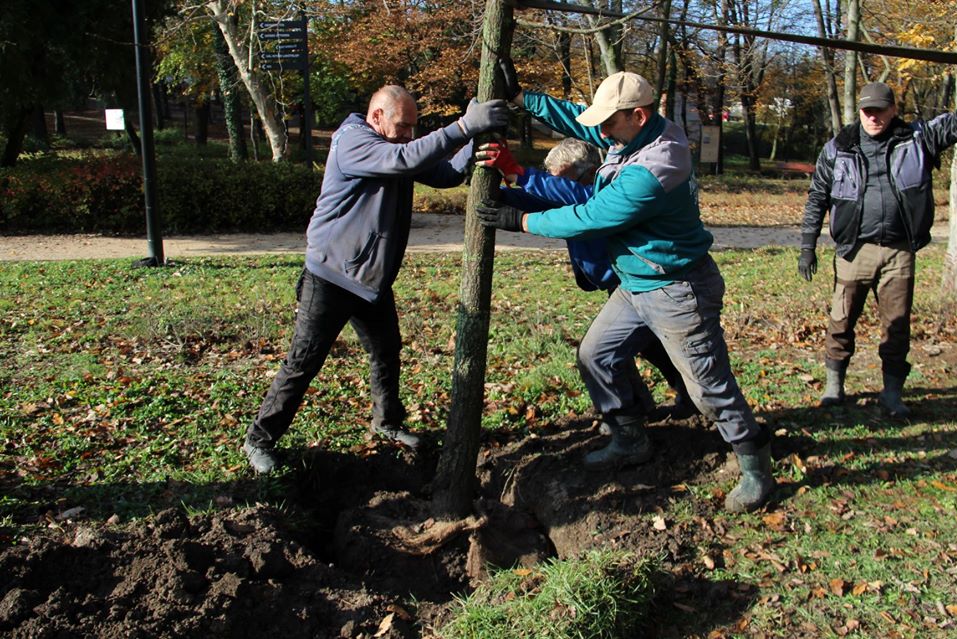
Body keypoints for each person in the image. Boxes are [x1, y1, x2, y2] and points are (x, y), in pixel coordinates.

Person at [477, 60, 773, 513]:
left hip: (676, 289)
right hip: (635, 284)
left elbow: (590, 217)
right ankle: (630, 438)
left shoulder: (655, 167)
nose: (604, 132)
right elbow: (578, 117)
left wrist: (521, 220)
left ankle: (755, 465)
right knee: (596, 355)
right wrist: (523, 99)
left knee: (708, 388)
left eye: (610, 123)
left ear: (637, 115)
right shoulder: (637, 130)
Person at [242, 86, 511, 473]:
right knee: (304, 361)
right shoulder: (354, 142)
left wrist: (474, 138)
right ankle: (259, 440)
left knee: (386, 350)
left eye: (414, 128)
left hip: (371, 280)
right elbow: (402, 159)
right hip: (331, 275)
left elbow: (446, 172)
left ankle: (386, 423)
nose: (409, 135)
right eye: (403, 126)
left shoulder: (397, 146)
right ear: (376, 117)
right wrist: (464, 125)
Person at [478, 137, 697, 420]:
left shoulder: (603, 190)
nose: (555, 183)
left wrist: (520, 174)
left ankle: (668, 404)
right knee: (638, 347)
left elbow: (574, 196)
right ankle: (647, 403)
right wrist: (502, 196)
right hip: (619, 286)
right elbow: (543, 199)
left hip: (639, 283)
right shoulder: (570, 190)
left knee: (627, 348)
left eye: (560, 177)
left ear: (586, 171)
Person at [799, 82, 957, 417]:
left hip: (898, 252)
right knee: (841, 321)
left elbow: (955, 123)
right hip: (853, 252)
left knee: (897, 325)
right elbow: (817, 198)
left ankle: (891, 394)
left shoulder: (917, 139)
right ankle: (834, 386)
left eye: (880, 110)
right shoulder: (838, 148)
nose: (873, 117)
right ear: (859, 111)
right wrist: (807, 247)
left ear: (893, 110)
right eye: (867, 110)